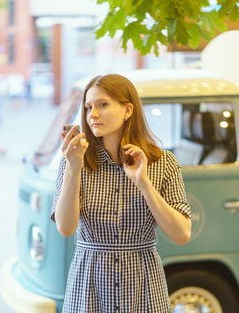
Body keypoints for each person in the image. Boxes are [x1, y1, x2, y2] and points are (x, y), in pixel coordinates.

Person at [51, 74, 191, 313]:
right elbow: (65, 228)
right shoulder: (74, 161)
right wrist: (73, 168)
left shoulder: (163, 162)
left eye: (102, 105)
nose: (92, 114)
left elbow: (181, 235)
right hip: (89, 286)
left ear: (128, 110)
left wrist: (144, 183)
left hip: (143, 285)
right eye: (88, 107)